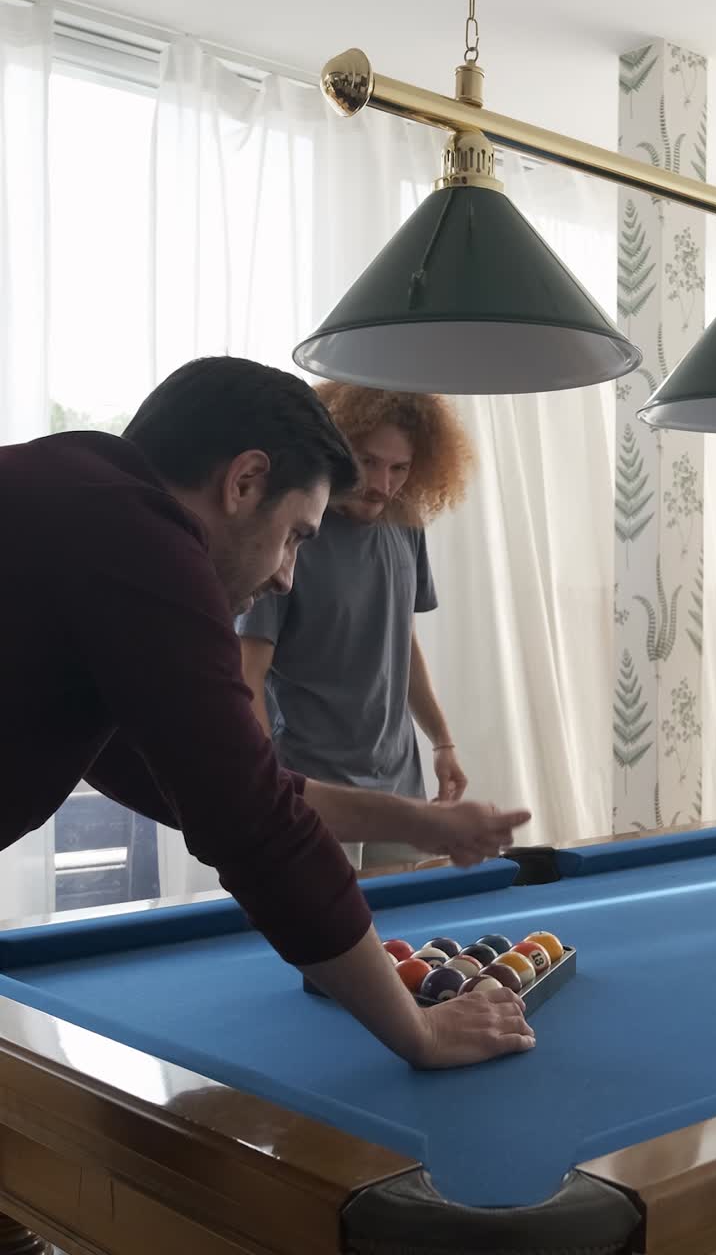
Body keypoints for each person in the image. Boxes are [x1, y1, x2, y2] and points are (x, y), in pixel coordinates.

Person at [0, 356, 534, 1068]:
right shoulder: (138, 539)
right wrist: (421, 1030)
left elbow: (211, 781)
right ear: (245, 481)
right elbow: (251, 823)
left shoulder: (71, 497)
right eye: (295, 536)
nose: (286, 574)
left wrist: (421, 822)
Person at [240, 383, 474, 870]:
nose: (382, 484)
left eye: (399, 468)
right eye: (368, 461)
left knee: (405, 920)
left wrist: (442, 741)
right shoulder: (293, 531)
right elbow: (249, 674)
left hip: (399, 786)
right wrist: (266, 790)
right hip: (312, 790)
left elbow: (399, 643)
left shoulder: (407, 525)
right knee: (324, 919)